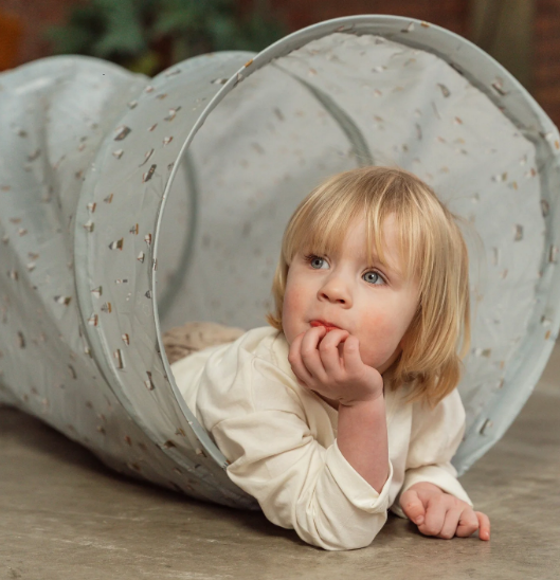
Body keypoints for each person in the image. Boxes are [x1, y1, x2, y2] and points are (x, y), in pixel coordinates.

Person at [167, 165, 491, 550]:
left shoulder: (423, 394)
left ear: (419, 324)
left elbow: (420, 458)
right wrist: (360, 404)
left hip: (227, 351)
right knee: (237, 350)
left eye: (373, 276)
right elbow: (335, 525)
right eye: (317, 260)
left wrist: (431, 487)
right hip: (182, 361)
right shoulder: (251, 386)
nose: (333, 288)